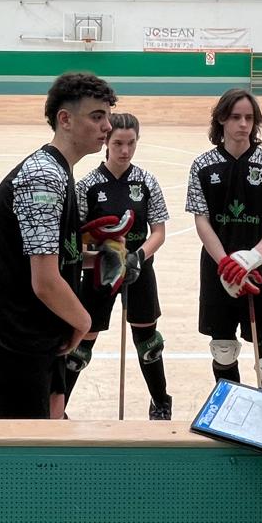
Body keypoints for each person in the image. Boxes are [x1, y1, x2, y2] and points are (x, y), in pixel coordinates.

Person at [0, 71, 116, 419]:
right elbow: (45, 280)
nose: (108, 127)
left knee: (52, 420)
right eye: (97, 116)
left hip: (41, 330)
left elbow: (51, 255)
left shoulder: (60, 171)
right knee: (23, 450)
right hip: (17, 338)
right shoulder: (43, 177)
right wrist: (83, 322)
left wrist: (99, 258)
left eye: (108, 117)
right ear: (64, 119)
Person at [186, 87, 262, 389]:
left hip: (260, 271)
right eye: (235, 117)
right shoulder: (203, 166)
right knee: (223, 349)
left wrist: (253, 255)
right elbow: (202, 220)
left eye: (249, 118)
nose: (243, 124)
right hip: (217, 271)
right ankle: (229, 411)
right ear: (221, 119)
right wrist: (226, 265)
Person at [69, 112, 173, 419]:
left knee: (148, 341)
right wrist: (103, 255)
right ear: (106, 142)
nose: (124, 150)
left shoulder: (147, 181)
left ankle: (160, 402)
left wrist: (136, 258)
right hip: (100, 271)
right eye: (118, 143)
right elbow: (78, 235)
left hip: (139, 270)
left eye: (131, 143)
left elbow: (159, 233)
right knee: (81, 342)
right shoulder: (87, 184)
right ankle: (56, 405)